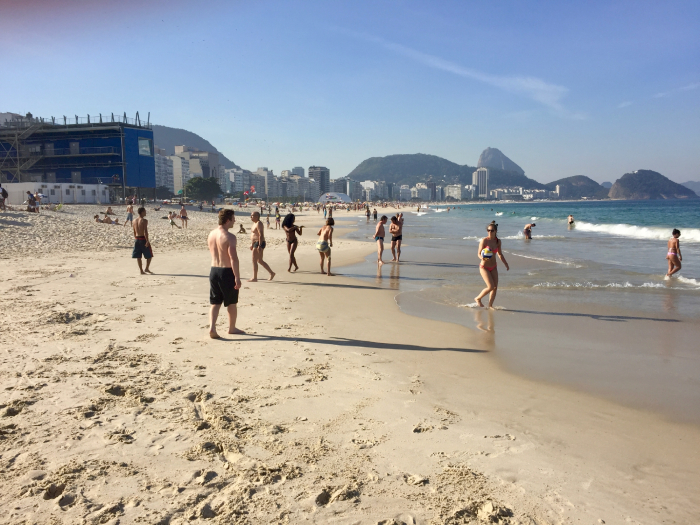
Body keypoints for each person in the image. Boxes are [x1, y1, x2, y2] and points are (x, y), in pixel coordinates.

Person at [207, 209, 243, 338]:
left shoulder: (211, 234)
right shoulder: (230, 237)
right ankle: (232, 328)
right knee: (232, 302)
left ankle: (212, 327)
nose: (235, 221)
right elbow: (233, 258)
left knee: (215, 302)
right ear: (228, 220)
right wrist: (237, 277)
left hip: (214, 270)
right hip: (226, 271)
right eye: (233, 218)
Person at [475, 221, 509, 308]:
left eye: (492, 230)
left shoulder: (498, 242)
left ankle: (490, 305)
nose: (490, 232)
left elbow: (500, 254)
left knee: (495, 288)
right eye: (488, 230)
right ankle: (478, 299)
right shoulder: (484, 241)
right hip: (484, 267)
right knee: (490, 286)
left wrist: (506, 264)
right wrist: (481, 258)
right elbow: (478, 253)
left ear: (496, 231)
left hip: (493, 267)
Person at [248, 211, 275, 281]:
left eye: (252, 216)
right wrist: (252, 244)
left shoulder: (259, 223)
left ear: (257, 216)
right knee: (259, 260)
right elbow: (254, 235)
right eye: (251, 216)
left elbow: (260, 234)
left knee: (254, 260)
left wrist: (259, 245)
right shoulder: (254, 223)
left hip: (259, 242)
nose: (251, 217)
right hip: (255, 243)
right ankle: (271, 273)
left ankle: (254, 277)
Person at [132, 207, 153, 274]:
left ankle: (141, 270)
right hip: (143, 239)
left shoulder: (134, 221)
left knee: (138, 256)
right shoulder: (144, 221)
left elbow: (134, 231)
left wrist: (136, 238)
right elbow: (145, 231)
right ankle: (146, 268)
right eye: (145, 211)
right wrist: (147, 240)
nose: (146, 212)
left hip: (137, 239)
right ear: (142, 212)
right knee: (149, 255)